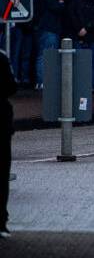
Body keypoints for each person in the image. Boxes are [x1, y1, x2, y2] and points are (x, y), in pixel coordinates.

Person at [0, 50, 13, 239]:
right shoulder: (1, 58)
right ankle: (1, 221)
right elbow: (11, 87)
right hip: (0, 123)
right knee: (2, 175)